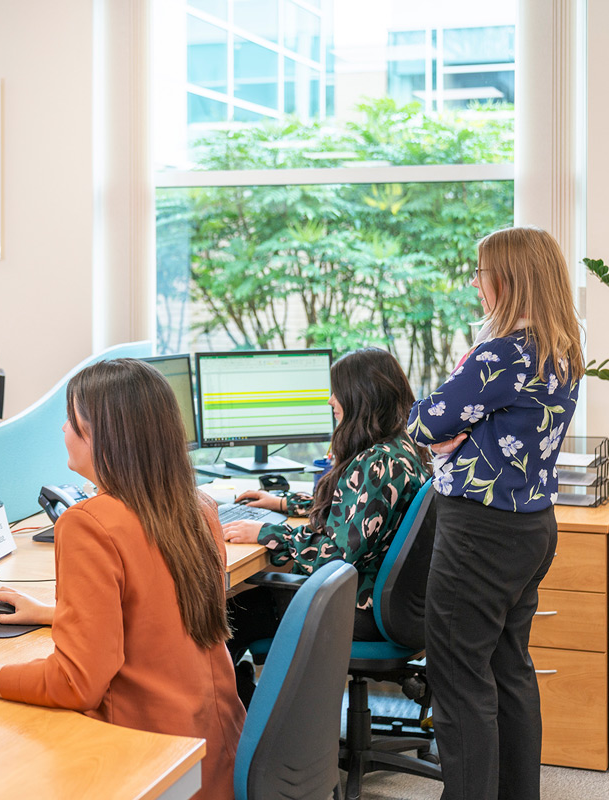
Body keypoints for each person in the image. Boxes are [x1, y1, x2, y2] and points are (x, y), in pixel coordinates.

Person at [0, 358, 246, 800]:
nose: (64, 430)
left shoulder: (90, 524)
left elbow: (75, 684)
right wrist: (55, 613)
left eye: (73, 421)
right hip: (215, 753)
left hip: (148, 759)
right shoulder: (197, 507)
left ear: (101, 437)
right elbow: (157, 616)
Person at [407, 226, 583, 800]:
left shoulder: (501, 353)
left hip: (480, 531)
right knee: (509, 669)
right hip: (530, 527)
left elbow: (424, 422)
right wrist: (466, 427)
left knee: (459, 676)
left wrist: (452, 428)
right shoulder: (560, 349)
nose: (475, 284)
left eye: (479, 274)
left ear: (505, 280)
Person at [222, 348, 430, 705]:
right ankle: (242, 700)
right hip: (388, 606)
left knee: (226, 617)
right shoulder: (400, 449)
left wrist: (267, 533)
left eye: (338, 391)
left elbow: (333, 554)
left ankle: (241, 719)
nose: (331, 400)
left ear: (360, 396)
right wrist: (284, 503)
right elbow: (358, 508)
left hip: (355, 607)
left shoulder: (377, 462)